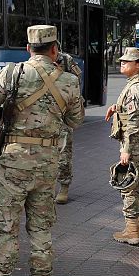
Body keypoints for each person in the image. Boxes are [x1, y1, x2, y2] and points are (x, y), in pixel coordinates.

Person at [0, 25, 84, 276]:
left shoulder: (12, 73)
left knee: (6, 228)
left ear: (28, 48)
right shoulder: (70, 81)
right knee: (41, 227)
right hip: (48, 165)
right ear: (55, 49)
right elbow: (75, 122)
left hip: (12, 163)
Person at [105, 47, 139, 244]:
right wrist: (116, 108)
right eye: (122, 61)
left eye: (127, 61)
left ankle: (132, 231)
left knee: (129, 185)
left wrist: (126, 148)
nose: (122, 64)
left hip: (136, 144)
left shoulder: (137, 88)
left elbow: (134, 122)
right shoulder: (136, 85)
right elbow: (135, 111)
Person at [55, 51, 83, 204]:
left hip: (63, 111)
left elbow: (77, 80)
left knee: (63, 150)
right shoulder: (35, 58)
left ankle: (64, 185)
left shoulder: (65, 59)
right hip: (43, 113)